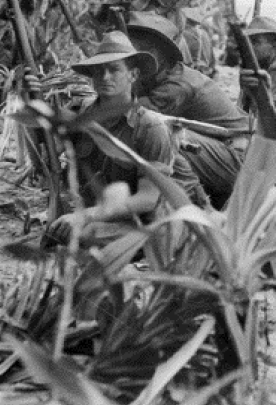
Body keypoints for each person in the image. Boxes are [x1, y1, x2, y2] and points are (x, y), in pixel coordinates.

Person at [43, 31, 205, 245]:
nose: (105, 77)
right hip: (99, 214)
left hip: (142, 222)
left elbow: (148, 199)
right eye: (99, 71)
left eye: (114, 70)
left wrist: (86, 215)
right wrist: (32, 101)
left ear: (133, 75)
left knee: (84, 235)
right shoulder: (80, 115)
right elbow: (47, 160)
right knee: (58, 234)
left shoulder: (149, 127)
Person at [125, 11, 251, 208]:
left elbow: (132, 115)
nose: (134, 57)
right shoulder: (155, 77)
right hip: (218, 150)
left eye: (142, 51)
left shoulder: (178, 85)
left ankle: (198, 205)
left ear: (160, 55)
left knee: (164, 133)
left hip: (236, 160)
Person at [182, 6, 217, 78]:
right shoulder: (204, 33)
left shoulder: (184, 34)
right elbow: (213, 61)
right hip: (204, 74)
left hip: (190, 75)